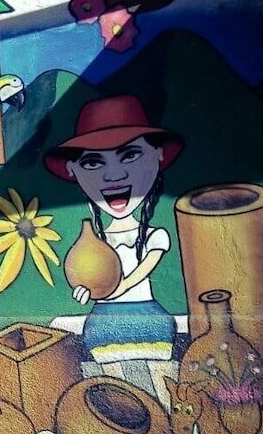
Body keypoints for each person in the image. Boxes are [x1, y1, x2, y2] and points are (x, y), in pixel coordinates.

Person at [44, 95, 184, 363]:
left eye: (130, 155)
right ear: (73, 169)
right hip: (102, 322)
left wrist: (110, 290)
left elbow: (139, 274)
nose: (114, 175)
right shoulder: (95, 243)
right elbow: (86, 277)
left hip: (147, 316)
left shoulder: (156, 236)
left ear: (158, 154)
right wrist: (85, 290)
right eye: (93, 162)